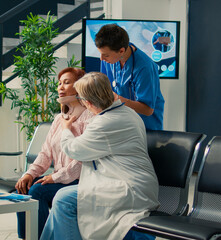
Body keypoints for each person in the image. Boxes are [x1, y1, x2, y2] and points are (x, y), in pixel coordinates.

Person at [40, 72, 159, 240]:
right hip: (128, 181)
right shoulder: (126, 112)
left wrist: (66, 128)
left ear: (87, 102)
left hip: (127, 188)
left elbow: (73, 148)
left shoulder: (106, 122)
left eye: (81, 99)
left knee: (64, 199)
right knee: (62, 199)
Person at [15, 67, 94, 239]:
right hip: (61, 179)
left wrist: (55, 178)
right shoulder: (59, 118)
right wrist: (30, 174)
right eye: (59, 83)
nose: (60, 87)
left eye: (66, 82)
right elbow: (45, 153)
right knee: (21, 191)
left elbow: (84, 159)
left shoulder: (90, 116)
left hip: (80, 181)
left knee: (37, 192)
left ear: (80, 86)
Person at [95, 23, 165, 130]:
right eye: (100, 53)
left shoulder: (145, 67)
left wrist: (116, 98)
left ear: (121, 51)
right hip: (121, 123)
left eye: (106, 55)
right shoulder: (109, 59)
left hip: (145, 127)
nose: (101, 58)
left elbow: (147, 110)